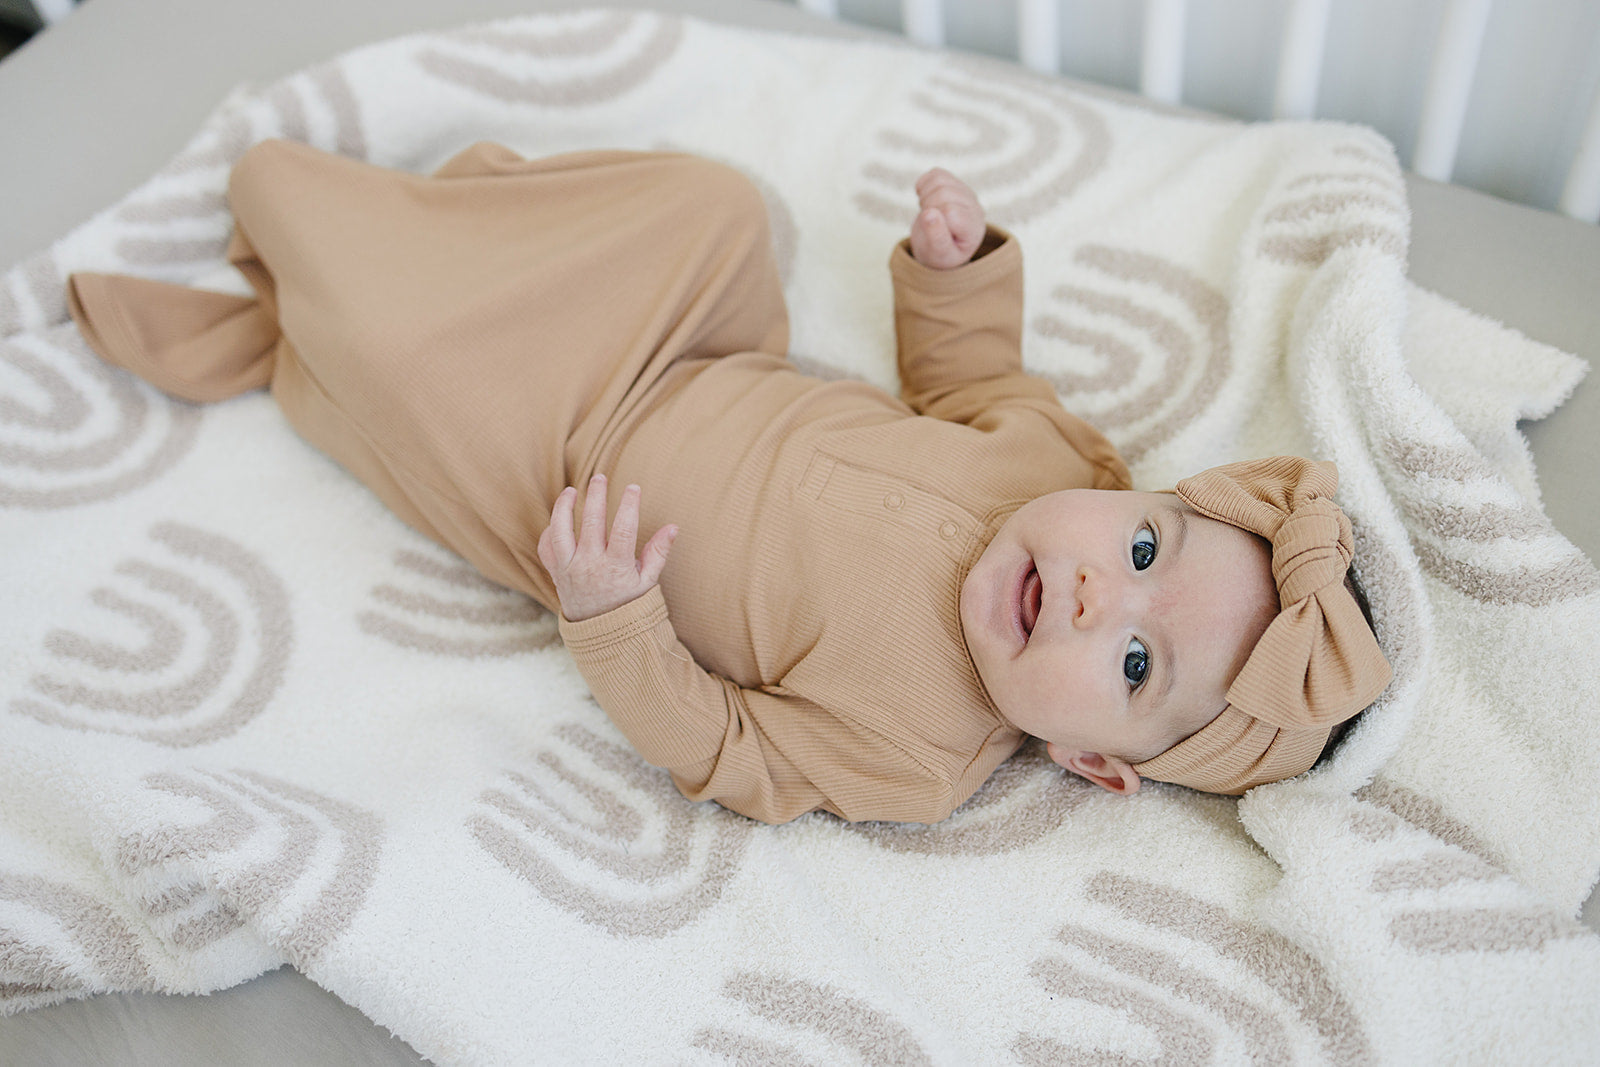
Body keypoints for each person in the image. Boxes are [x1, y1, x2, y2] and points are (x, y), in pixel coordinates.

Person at [66, 140, 1392, 824]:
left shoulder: (916, 754)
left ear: (1094, 763)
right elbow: (971, 377)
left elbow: (722, 750)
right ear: (1141, 498)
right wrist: (956, 267)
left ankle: (286, 327)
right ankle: (444, 225)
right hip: (694, 343)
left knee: (413, 362)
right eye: (1150, 552)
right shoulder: (1060, 462)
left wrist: (615, 616)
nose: (1104, 594)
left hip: (556, 484)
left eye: (1139, 669)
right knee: (714, 207)